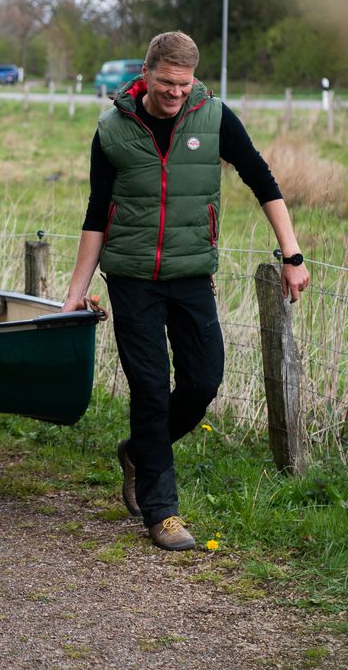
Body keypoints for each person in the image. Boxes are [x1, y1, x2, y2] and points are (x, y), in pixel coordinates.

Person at [61, 31, 310, 550]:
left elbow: (262, 180)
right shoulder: (113, 129)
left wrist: (292, 254)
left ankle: (138, 452)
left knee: (203, 382)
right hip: (131, 278)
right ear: (146, 74)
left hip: (192, 273)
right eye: (166, 82)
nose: (175, 93)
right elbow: (96, 213)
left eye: (184, 83)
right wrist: (75, 291)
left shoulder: (215, 118)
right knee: (150, 388)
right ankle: (162, 513)